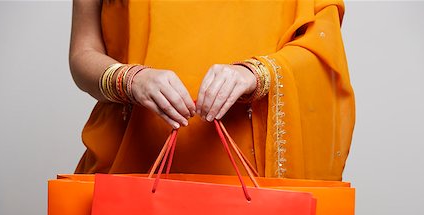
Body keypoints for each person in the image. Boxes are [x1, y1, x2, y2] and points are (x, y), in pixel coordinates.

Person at [70, 0, 355, 180]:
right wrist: (131, 80)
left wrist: (256, 73)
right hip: (128, 163)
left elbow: (322, 49)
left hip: (251, 175)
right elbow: (83, 53)